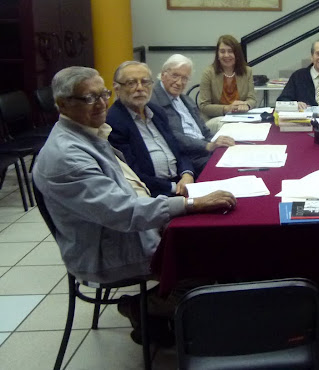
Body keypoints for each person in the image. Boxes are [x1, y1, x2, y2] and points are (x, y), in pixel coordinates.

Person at [32, 66, 236, 286]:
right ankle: (154, 308)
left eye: (103, 95)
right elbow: (123, 212)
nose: (101, 104)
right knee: (219, 252)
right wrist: (190, 204)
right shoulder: (67, 157)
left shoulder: (90, 132)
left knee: (222, 233)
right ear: (63, 104)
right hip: (112, 253)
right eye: (89, 98)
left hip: (133, 226)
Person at [107, 61, 196, 198]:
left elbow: (178, 150)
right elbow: (132, 174)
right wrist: (174, 187)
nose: (140, 88)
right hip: (155, 195)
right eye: (131, 83)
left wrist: (187, 173)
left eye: (145, 82)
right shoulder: (114, 122)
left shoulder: (157, 112)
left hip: (182, 184)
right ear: (117, 88)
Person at [149, 54, 236, 176]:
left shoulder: (184, 99)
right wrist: (208, 145)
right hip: (189, 157)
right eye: (175, 75)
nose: (179, 82)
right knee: (229, 171)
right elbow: (171, 136)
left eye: (185, 78)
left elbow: (204, 130)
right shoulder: (153, 101)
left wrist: (217, 141)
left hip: (204, 149)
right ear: (163, 74)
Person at [198, 34, 257, 133]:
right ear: (217, 54)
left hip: (240, 119)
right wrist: (226, 108)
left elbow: (252, 99)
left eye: (230, 51)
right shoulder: (208, 73)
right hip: (214, 119)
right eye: (222, 51)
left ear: (237, 54)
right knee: (228, 128)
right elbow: (204, 106)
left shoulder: (247, 71)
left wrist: (246, 105)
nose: (226, 55)